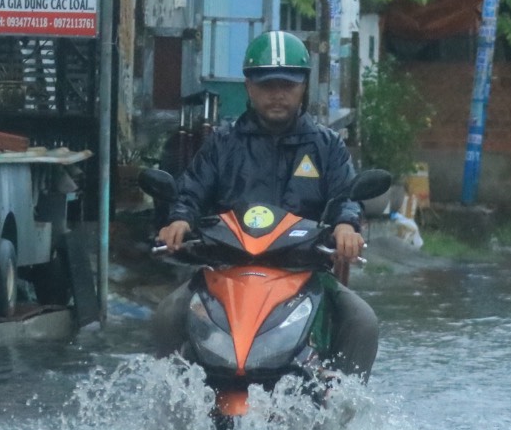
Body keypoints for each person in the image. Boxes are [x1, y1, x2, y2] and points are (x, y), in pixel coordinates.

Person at [153, 30, 379, 374]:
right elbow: (192, 190)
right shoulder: (222, 143)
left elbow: (346, 195)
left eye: (287, 85)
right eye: (267, 85)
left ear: (303, 86)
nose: (277, 94)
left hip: (304, 270)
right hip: (225, 269)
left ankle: (341, 406)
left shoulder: (327, 146)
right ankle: (174, 401)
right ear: (248, 87)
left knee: (362, 320)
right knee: (168, 314)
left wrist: (346, 225)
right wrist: (180, 219)